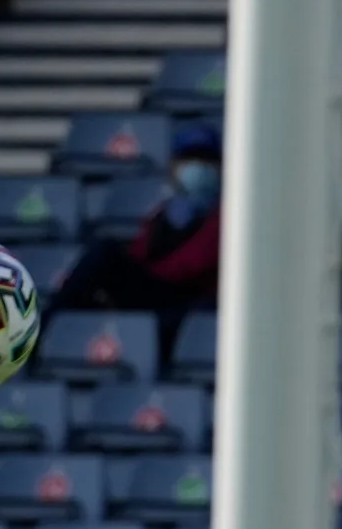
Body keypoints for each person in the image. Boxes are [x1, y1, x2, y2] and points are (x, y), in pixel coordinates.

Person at [49, 119, 220, 354]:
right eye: (189, 159)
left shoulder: (225, 217)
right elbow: (139, 251)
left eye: (206, 160)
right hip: (155, 293)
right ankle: (49, 328)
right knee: (103, 254)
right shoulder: (165, 212)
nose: (198, 167)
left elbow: (193, 264)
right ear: (174, 167)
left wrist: (141, 278)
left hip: (188, 301)